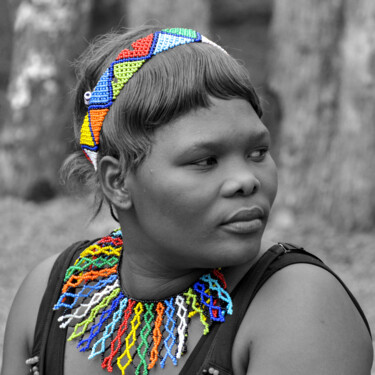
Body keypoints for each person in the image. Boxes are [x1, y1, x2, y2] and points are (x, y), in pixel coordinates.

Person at [1, 26, 373, 375]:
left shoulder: (297, 305)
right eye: (205, 161)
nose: (246, 180)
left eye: (258, 152)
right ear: (117, 181)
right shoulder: (49, 297)